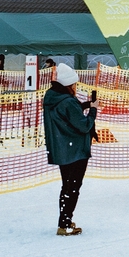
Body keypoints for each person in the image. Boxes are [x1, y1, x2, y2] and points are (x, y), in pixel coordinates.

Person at [42, 63, 98, 235]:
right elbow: (84, 125)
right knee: (73, 187)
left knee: (67, 186)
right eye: (74, 84)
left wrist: (85, 105)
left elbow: (68, 113)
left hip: (61, 148)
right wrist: (93, 111)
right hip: (76, 150)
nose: (75, 87)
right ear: (69, 84)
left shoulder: (52, 97)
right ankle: (64, 223)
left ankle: (64, 220)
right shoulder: (68, 101)